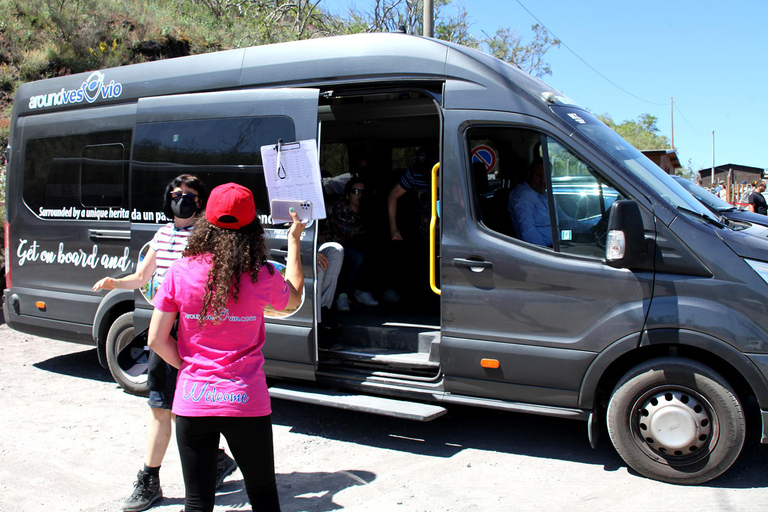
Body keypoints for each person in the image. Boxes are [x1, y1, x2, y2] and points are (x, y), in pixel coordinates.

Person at [147, 183, 305, 512]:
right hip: (246, 401)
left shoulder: (180, 271)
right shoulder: (261, 275)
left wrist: (192, 369)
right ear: (252, 226)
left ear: (207, 220)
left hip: (193, 401)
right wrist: (293, 241)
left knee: (197, 502)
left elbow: (156, 340)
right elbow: (293, 299)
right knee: (263, 497)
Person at [93, 174, 237, 512]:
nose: (182, 198)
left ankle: (195, 466)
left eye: (190, 194)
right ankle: (164, 475)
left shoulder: (208, 236)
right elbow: (142, 277)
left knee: (186, 406)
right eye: (176, 193)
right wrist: (117, 281)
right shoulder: (162, 235)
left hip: (193, 333)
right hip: (163, 333)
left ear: (201, 201)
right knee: (162, 406)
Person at [320, 177, 379, 310]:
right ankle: (342, 296)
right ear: (347, 195)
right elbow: (317, 215)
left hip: (355, 245)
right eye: (355, 191)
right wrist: (319, 234)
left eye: (363, 192)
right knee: (355, 257)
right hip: (335, 246)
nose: (359, 195)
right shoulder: (336, 207)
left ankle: (362, 291)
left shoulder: (368, 211)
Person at [508, 159, 595, 247]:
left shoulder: (545, 195)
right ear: (528, 175)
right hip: (544, 251)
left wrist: (588, 228)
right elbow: (527, 230)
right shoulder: (524, 196)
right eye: (539, 175)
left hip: (558, 246)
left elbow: (563, 221)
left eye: (546, 176)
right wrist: (544, 253)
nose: (543, 180)